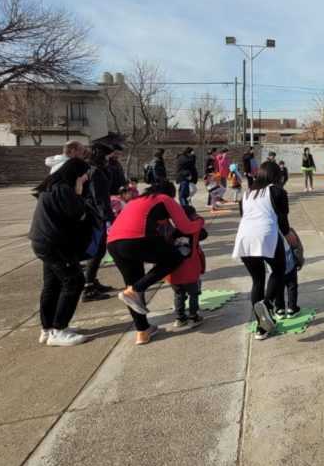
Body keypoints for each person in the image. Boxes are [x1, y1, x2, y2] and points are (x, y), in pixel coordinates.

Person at [108, 180, 205, 345]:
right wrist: (200, 221)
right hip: (136, 239)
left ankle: (143, 331)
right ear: (170, 194)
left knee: (132, 289)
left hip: (113, 243)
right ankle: (137, 289)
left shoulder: (136, 201)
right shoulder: (164, 199)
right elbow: (186, 227)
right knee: (175, 257)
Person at [28, 158, 92, 347]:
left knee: (53, 284)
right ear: (77, 174)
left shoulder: (52, 185)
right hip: (55, 244)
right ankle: (59, 329)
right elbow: (80, 214)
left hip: (43, 242)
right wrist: (79, 193)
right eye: (85, 175)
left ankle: (47, 328)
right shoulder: (64, 189)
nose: (87, 178)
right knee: (74, 281)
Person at [232, 161, 298, 340]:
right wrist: (287, 233)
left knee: (257, 281)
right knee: (279, 269)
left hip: (244, 237)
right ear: (276, 175)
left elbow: (244, 215)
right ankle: (267, 303)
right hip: (266, 234)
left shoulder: (247, 194)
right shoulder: (276, 190)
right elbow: (282, 216)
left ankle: (261, 328)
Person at [82, 142, 115, 302]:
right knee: (98, 250)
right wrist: (109, 218)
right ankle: (88, 287)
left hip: (93, 213)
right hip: (95, 215)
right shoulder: (95, 172)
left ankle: (92, 280)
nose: (110, 159)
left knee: (98, 250)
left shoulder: (93, 169)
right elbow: (100, 198)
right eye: (108, 156)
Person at [168, 204, 206, 328]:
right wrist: (196, 218)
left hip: (174, 272)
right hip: (190, 271)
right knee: (194, 294)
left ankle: (179, 318)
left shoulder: (170, 234)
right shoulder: (194, 231)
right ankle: (194, 316)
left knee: (179, 294)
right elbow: (202, 226)